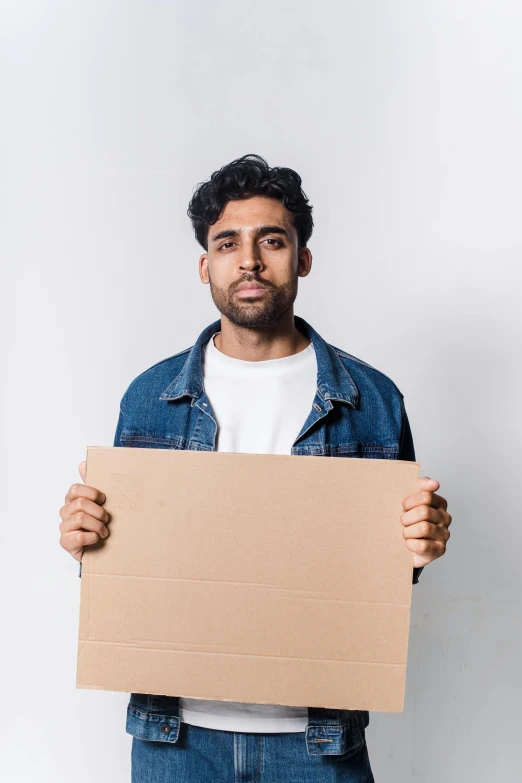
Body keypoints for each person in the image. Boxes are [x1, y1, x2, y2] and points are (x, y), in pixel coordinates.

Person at [59, 154, 452, 782]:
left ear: (302, 259)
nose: (249, 260)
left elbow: (386, 584)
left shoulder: (374, 400)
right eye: (227, 243)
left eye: (271, 240)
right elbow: (127, 570)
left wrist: (418, 546)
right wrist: (88, 544)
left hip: (318, 742)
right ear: (204, 266)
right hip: (177, 739)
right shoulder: (149, 397)